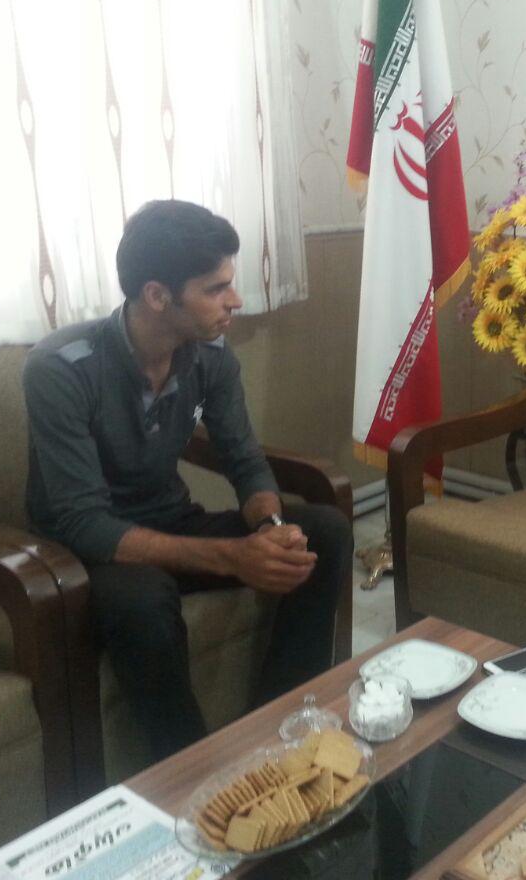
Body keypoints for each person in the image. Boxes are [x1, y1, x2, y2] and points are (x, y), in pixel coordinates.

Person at [24, 199, 352, 763]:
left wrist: (271, 530)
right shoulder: (61, 368)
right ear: (157, 296)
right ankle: (192, 775)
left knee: (322, 531)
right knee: (144, 599)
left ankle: (282, 731)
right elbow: (84, 522)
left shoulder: (209, 356)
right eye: (215, 288)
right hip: (81, 551)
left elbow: (243, 458)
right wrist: (232, 558)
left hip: (169, 517)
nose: (235, 300)